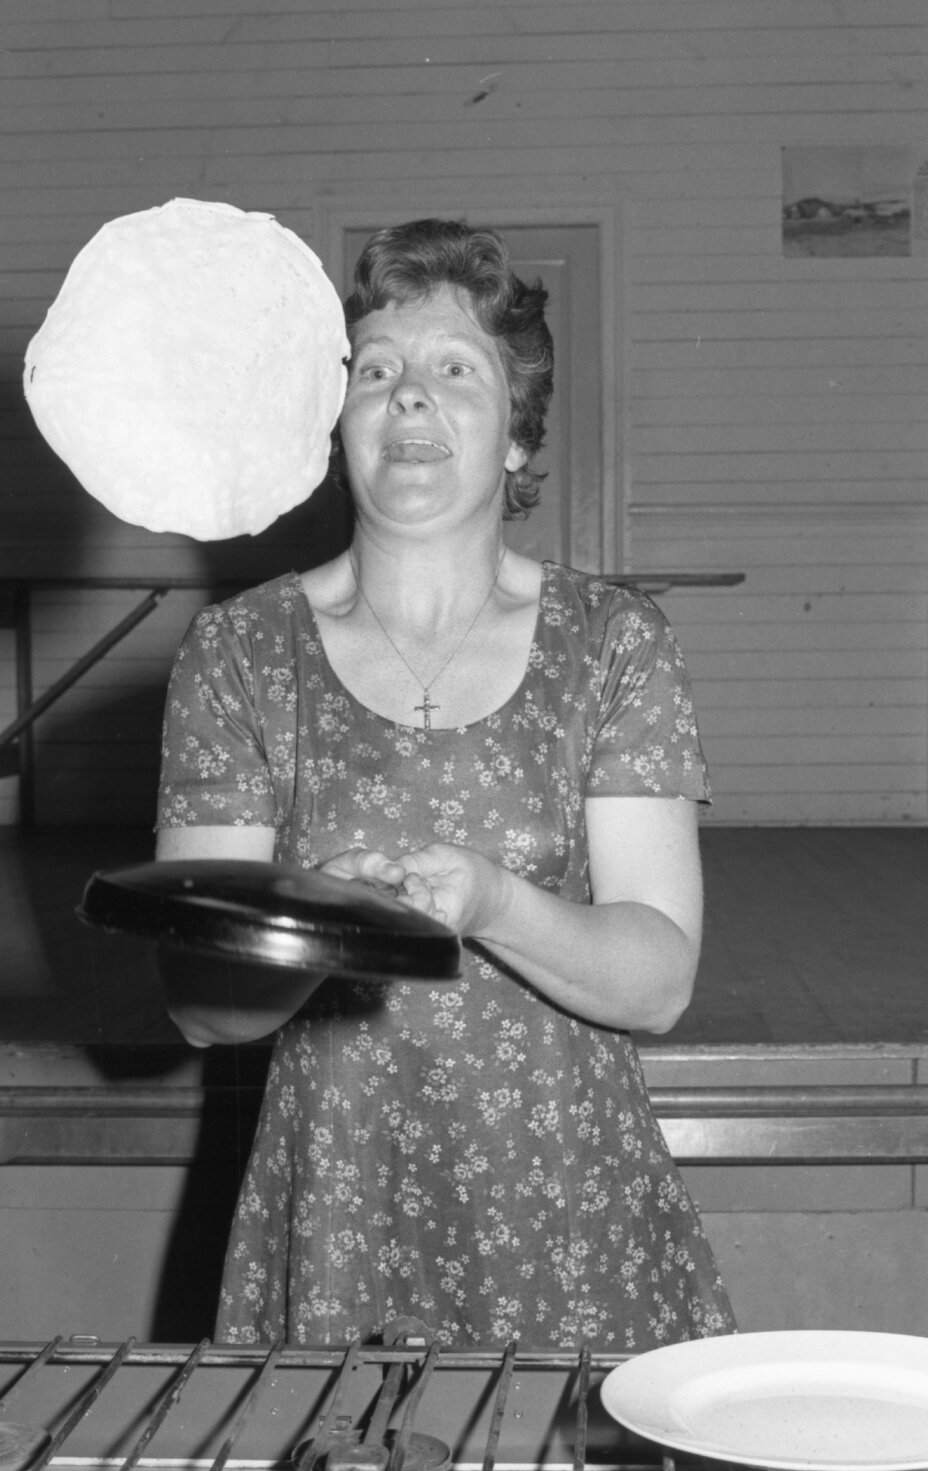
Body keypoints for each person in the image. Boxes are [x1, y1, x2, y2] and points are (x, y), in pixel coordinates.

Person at [155, 218, 736, 1350]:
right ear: (338, 426)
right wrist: (310, 923)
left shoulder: (611, 641)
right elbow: (202, 1005)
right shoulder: (239, 650)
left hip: (570, 1210)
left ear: (517, 434)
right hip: (337, 1208)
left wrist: (488, 902)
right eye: (375, 371)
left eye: (452, 369)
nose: (407, 398)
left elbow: (658, 981)